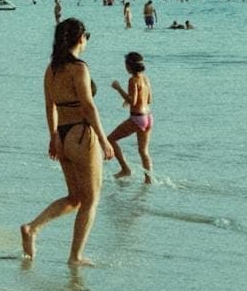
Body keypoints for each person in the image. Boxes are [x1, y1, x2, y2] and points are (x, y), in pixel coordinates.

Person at [21, 18, 111, 266]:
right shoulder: (79, 68)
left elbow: (49, 107)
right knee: (91, 200)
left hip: (62, 134)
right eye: (86, 36)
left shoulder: (52, 69)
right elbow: (88, 106)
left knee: (74, 198)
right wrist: (104, 140)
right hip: (82, 134)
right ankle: (75, 256)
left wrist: (53, 137)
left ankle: (32, 228)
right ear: (80, 38)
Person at [107, 52, 153, 182]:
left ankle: (125, 169)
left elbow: (133, 101)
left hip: (137, 118)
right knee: (144, 151)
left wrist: (118, 88)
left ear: (130, 66)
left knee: (110, 139)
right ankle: (148, 180)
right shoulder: (145, 79)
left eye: (125, 64)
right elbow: (149, 99)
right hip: (148, 117)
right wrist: (129, 100)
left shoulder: (133, 80)